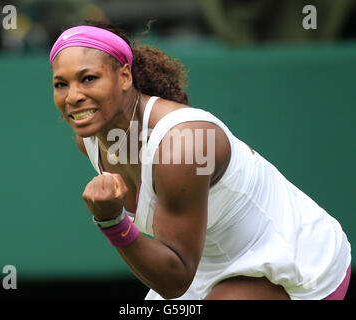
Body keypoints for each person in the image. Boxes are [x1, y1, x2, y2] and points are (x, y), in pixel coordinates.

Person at [49, 20, 351, 300]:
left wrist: (112, 221)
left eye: (88, 79)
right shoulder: (89, 140)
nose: (72, 96)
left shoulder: (185, 146)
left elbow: (174, 279)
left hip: (300, 264)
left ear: (125, 76)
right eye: (61, 84)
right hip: (203, 264)